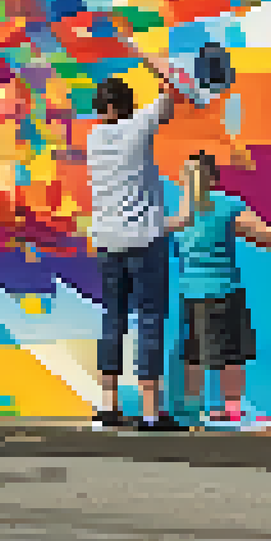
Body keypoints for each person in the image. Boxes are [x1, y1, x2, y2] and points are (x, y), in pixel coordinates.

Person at [166, 152, 271, 426]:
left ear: (184, 178)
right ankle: (231, 410)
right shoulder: (226, 205)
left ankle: (192, 410)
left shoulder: (178, 213)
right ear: (214, 178)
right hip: (224, 289)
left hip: (191, 291)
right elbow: (263, 234)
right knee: (231, 353)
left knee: (194, 353)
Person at [86, 33, 189, 432]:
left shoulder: (94, 138)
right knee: (149, 318)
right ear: (125, 106)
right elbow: (172, 91)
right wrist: (151, 60)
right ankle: (150, 411)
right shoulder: (139, 126)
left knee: (112, 318)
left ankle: (108, 406)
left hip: (106, 240)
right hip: (144, 239)